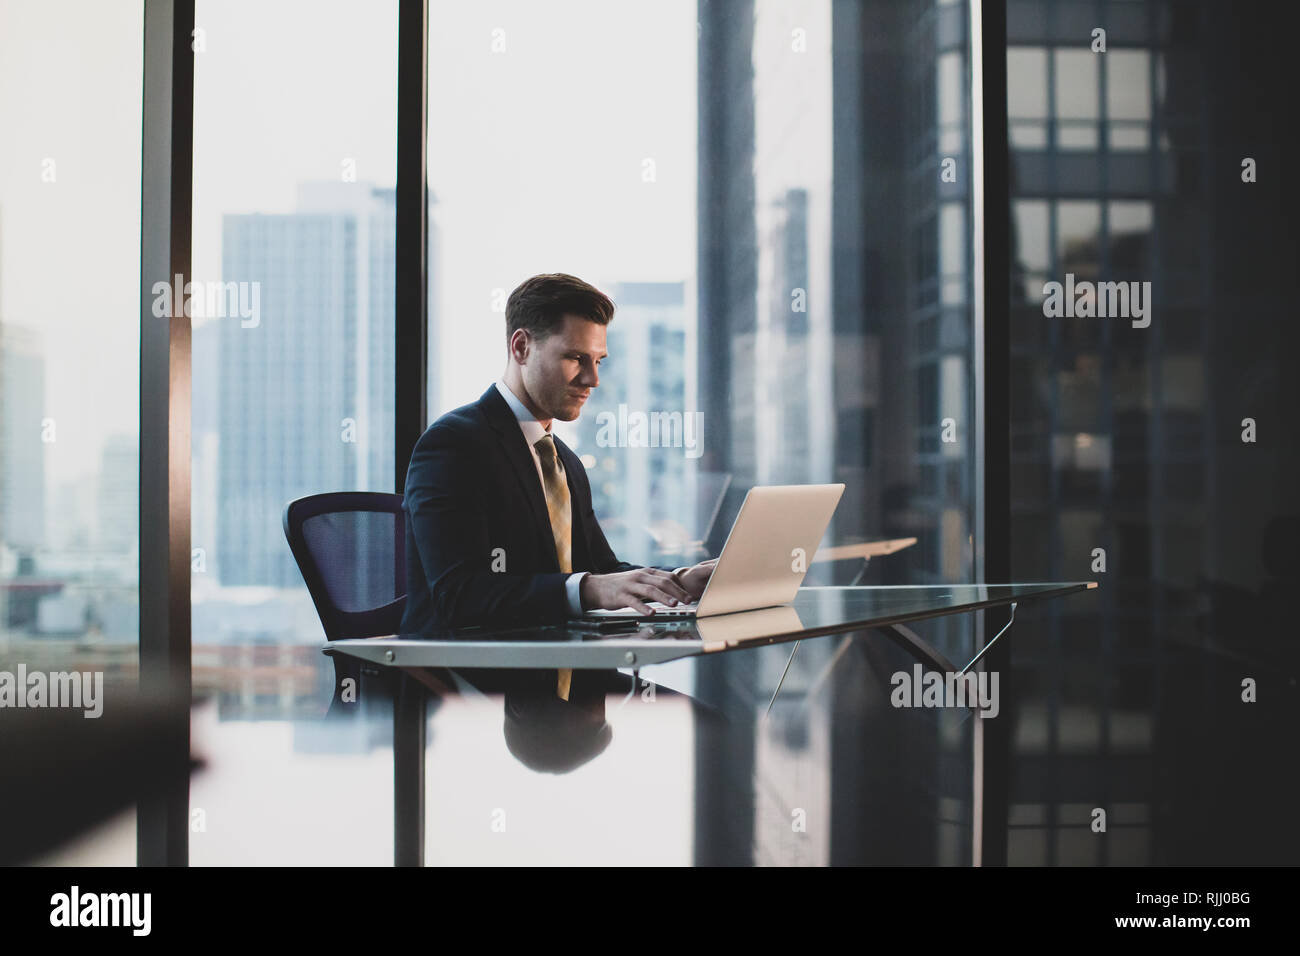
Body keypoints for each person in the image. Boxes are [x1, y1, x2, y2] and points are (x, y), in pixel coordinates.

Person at [402, 273, 716, 648]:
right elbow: (460, 595)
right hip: (474, 683)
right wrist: (589, 589)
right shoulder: (453, 445)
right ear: (521, 347)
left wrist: (679, 581)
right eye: (575, 357)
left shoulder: (565, 460)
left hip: (564, 671)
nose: (593, 379)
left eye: (599, 360)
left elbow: (602, 572)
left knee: (706, 711)